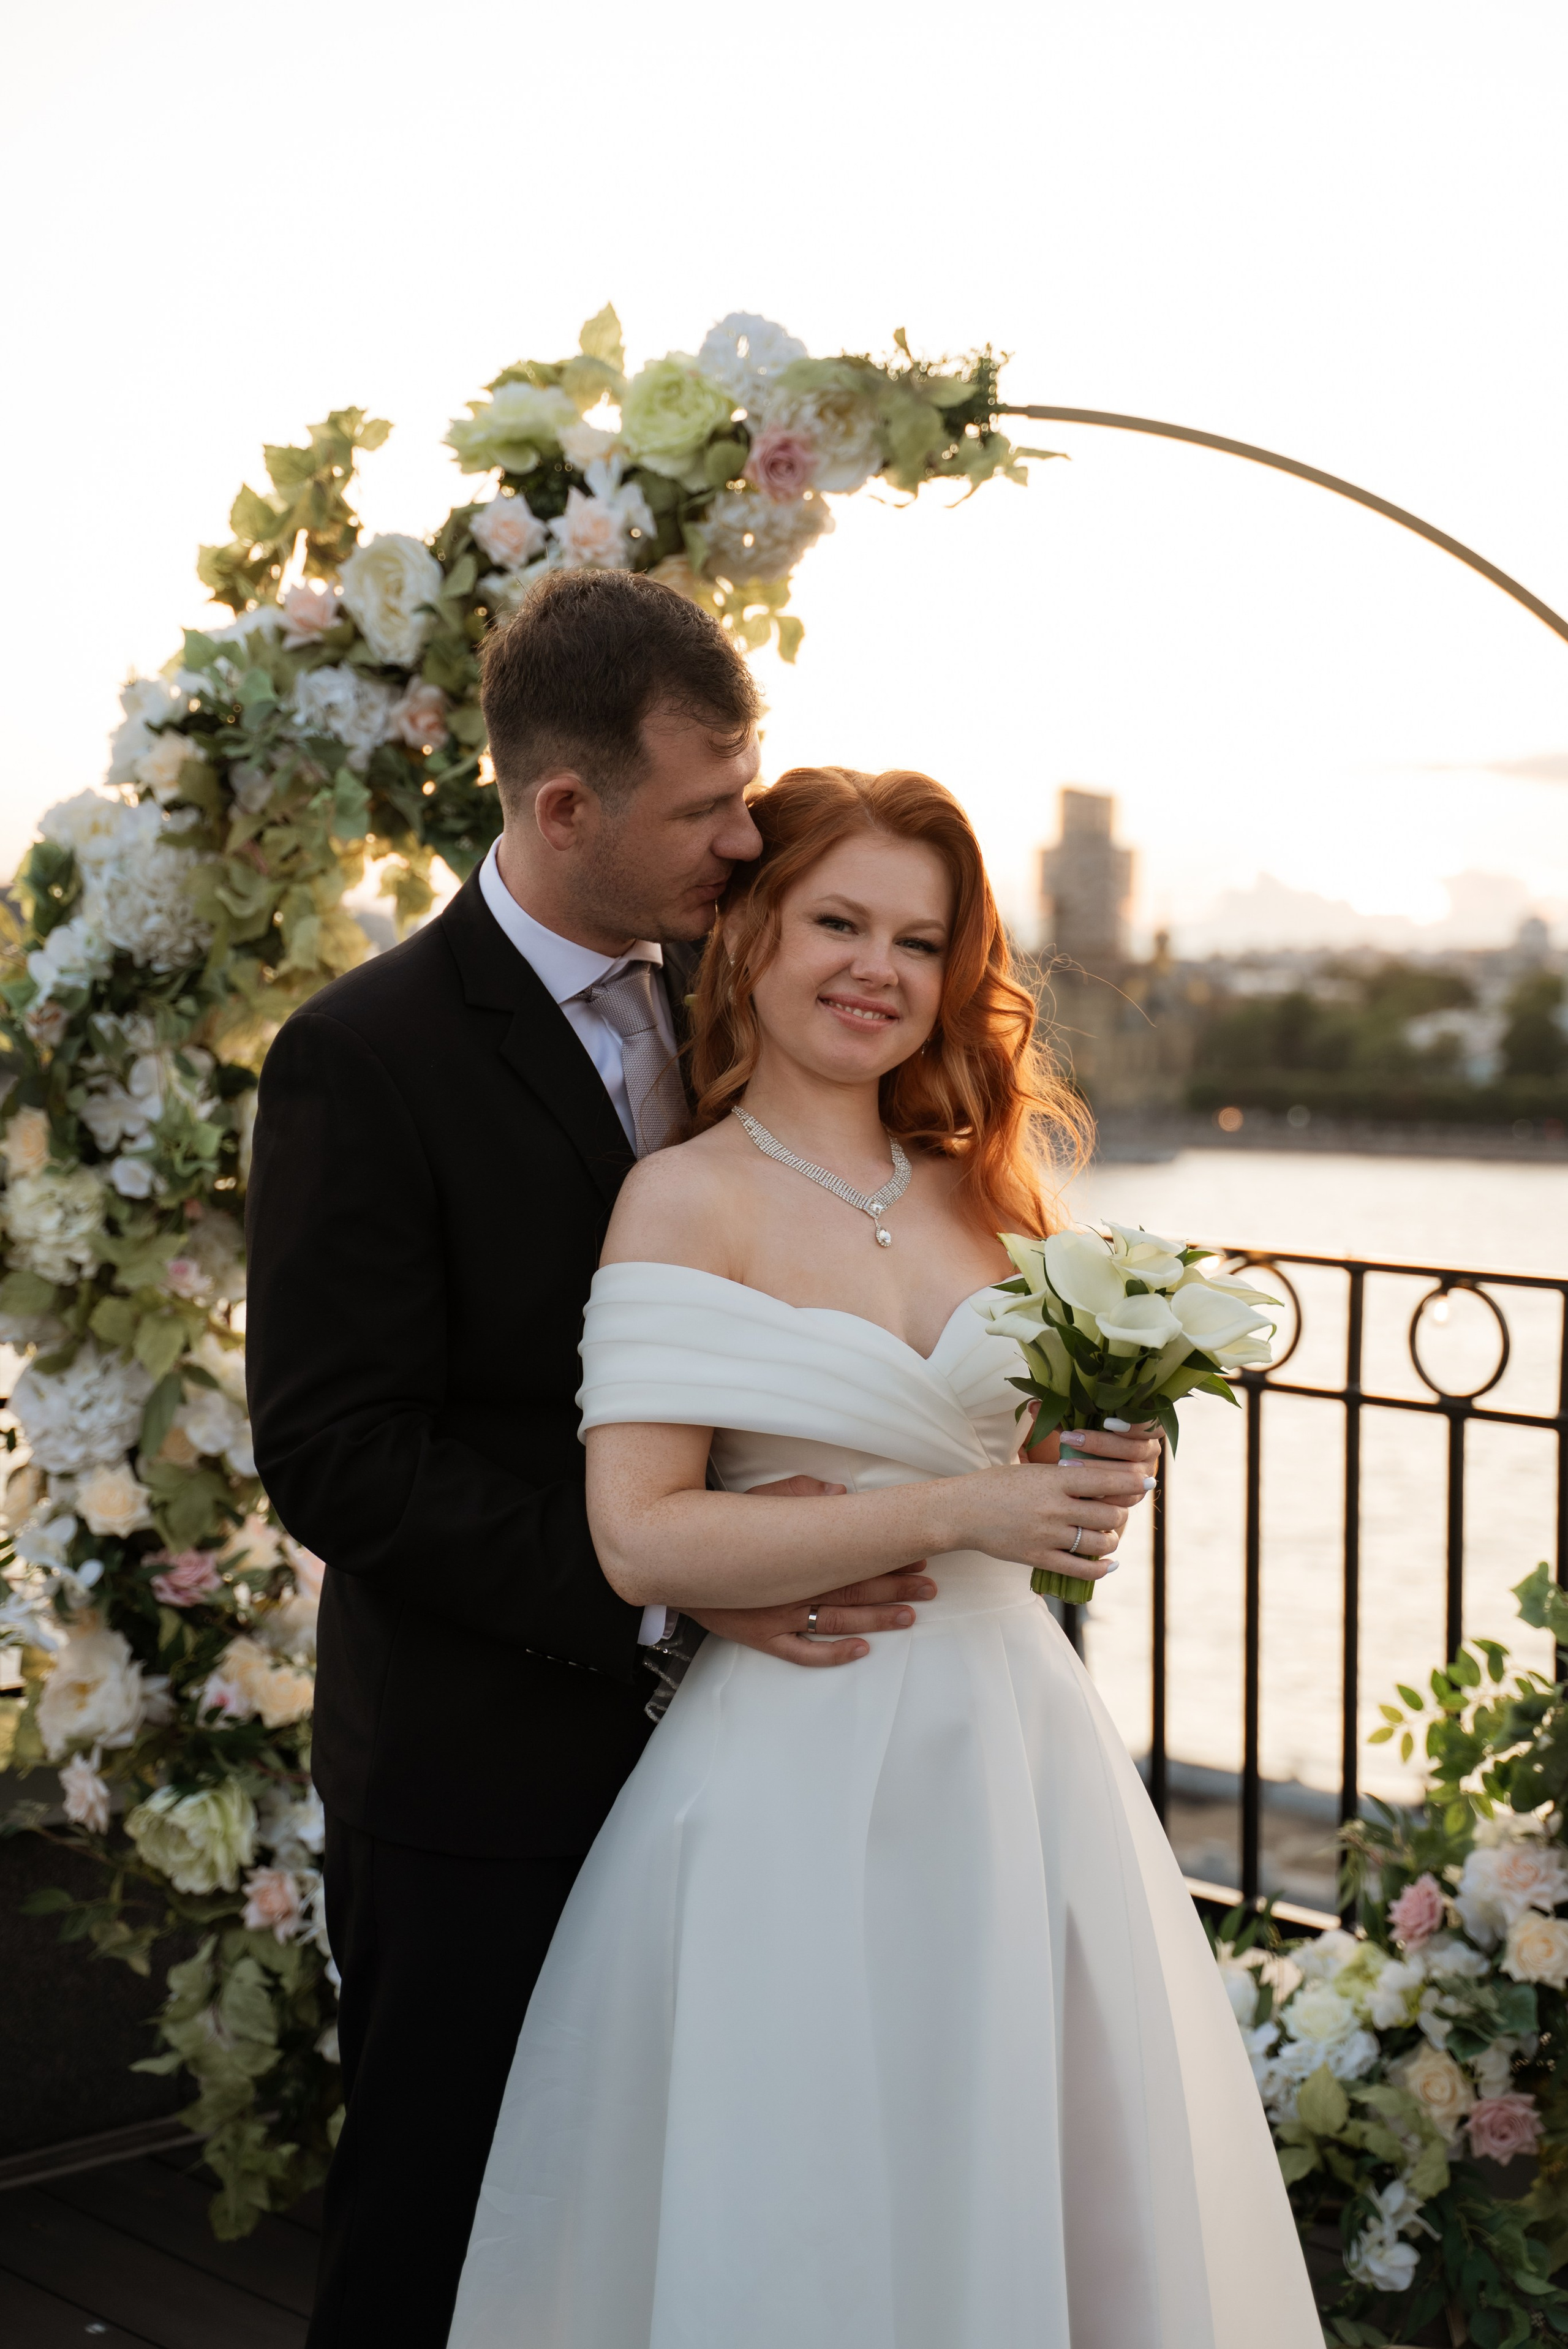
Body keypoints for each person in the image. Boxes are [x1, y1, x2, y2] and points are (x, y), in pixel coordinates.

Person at [448, 765, 1321, 2348]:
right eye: (839, 923)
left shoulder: (990, 1197)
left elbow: (1032, 1483)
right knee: (804, 2184)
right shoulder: (681, 1199)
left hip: (1018, 1762)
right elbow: (637, 1531)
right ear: (755, 937)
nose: (879, 970)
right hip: (792, 1761)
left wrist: (1085, 1472)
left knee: (1024, 2157)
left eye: (921, 942)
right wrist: (956, 1512)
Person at [244, 576, 946, 2349]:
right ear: (567, 806)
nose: (748, 837)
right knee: (448, 2224)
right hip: (485, 1771)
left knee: (684, 2227)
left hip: (766, 1760)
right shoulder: (365, 1055)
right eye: (710, 807)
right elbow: (338, 1453)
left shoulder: (749, 982)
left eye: (749, 791)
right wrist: (668, 1585)